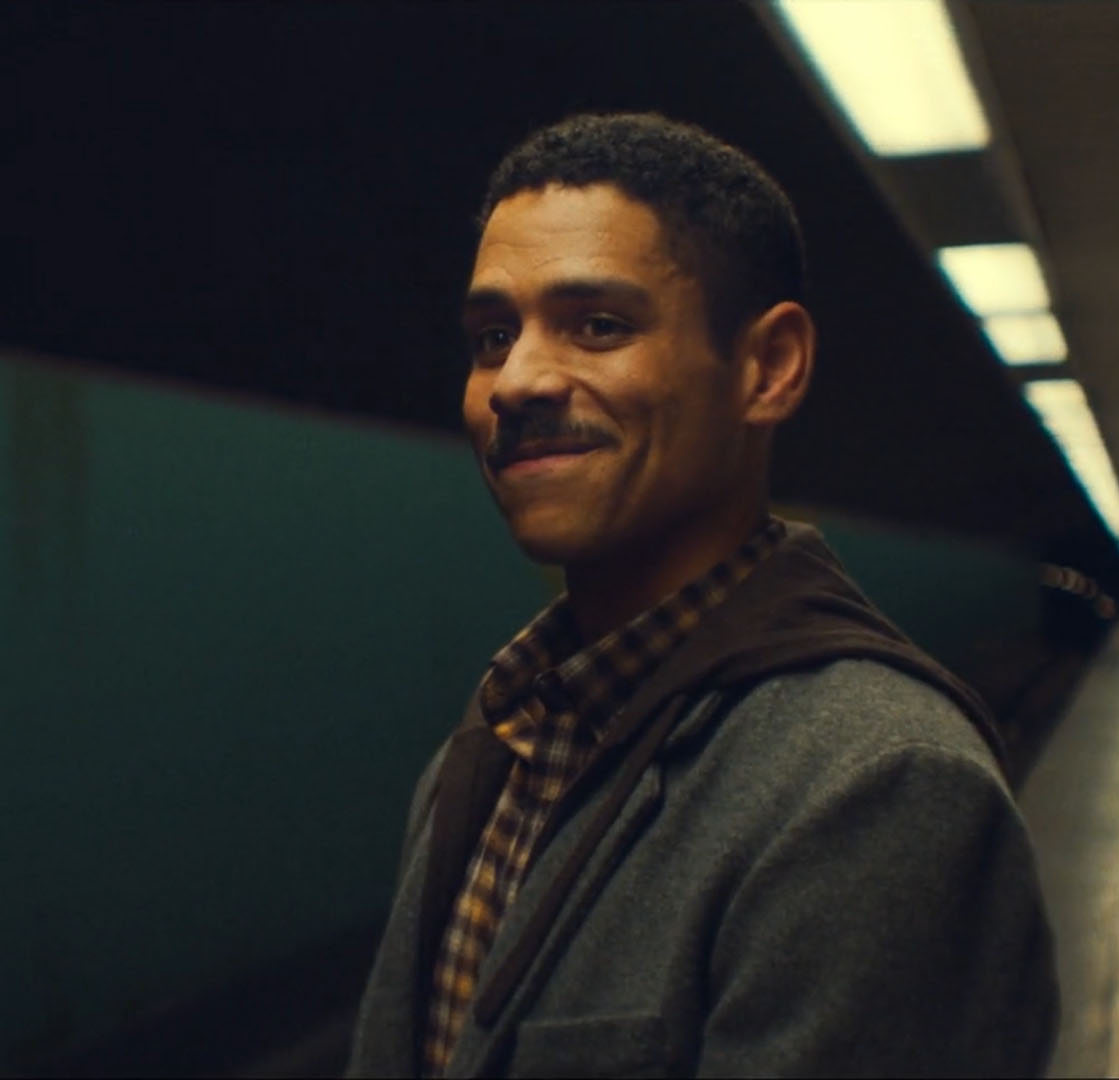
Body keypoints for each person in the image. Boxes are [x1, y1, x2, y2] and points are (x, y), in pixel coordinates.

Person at [346, 112, 1058, 1078]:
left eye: (599, 326)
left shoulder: (880, 784)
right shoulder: (493, 745)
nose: (515, 381)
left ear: (768, 368)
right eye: (492, 336)